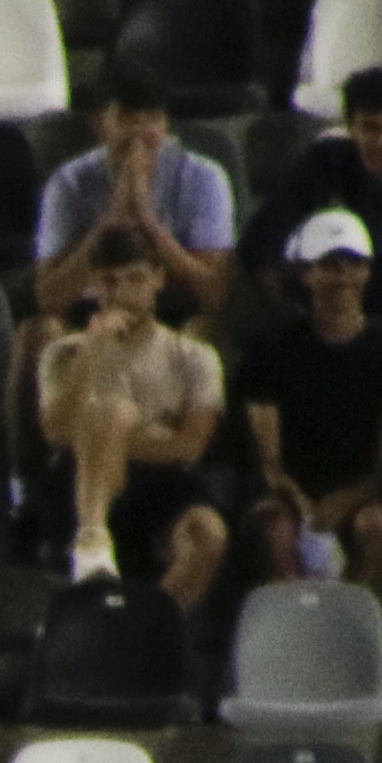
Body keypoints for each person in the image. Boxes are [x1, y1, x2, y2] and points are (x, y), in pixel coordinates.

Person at [239, 211, 382, 596]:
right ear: (306, 273)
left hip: (364, 491)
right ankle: (295, 626)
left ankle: (356, 626)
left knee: (374, 525)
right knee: (276, 527)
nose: (341, 276)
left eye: (351, 264)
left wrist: (346, 500)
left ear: (367, 272)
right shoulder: (271, 354)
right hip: (291, 493)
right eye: (329, 265)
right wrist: (302, 503)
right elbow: (268, 459)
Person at [34, 246, 231, 601]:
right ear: (94, 285)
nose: (123, 293)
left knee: (208, 534)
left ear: (158, 279)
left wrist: (108, 438)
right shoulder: (64, 353)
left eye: (136, 279)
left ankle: (146, 632)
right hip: (80, 477)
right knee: (113, 412)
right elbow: (56, 431)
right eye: (110, 282)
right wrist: (94, 347)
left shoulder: (193, 356)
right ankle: (91, 536)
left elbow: (189, 446)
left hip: (161, 480)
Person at [239, 66, 382, 345]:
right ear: (350, 126)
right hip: (313, 326)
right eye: (371, 128)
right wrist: (291, 320)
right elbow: (260, 244)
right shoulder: (322, 167)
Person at [31, 75, 236, 325]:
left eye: (152, 119)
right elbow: (49, 300)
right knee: (41, 330)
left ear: (165, 124)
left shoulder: (204, 177)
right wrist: (108, 221)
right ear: (99, 125)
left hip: (174, 315)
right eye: (126, 119)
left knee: (205, 329)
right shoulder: (68, 183)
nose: (140, 133)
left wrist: (147, 218)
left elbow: (211, 297)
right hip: (92, 313)